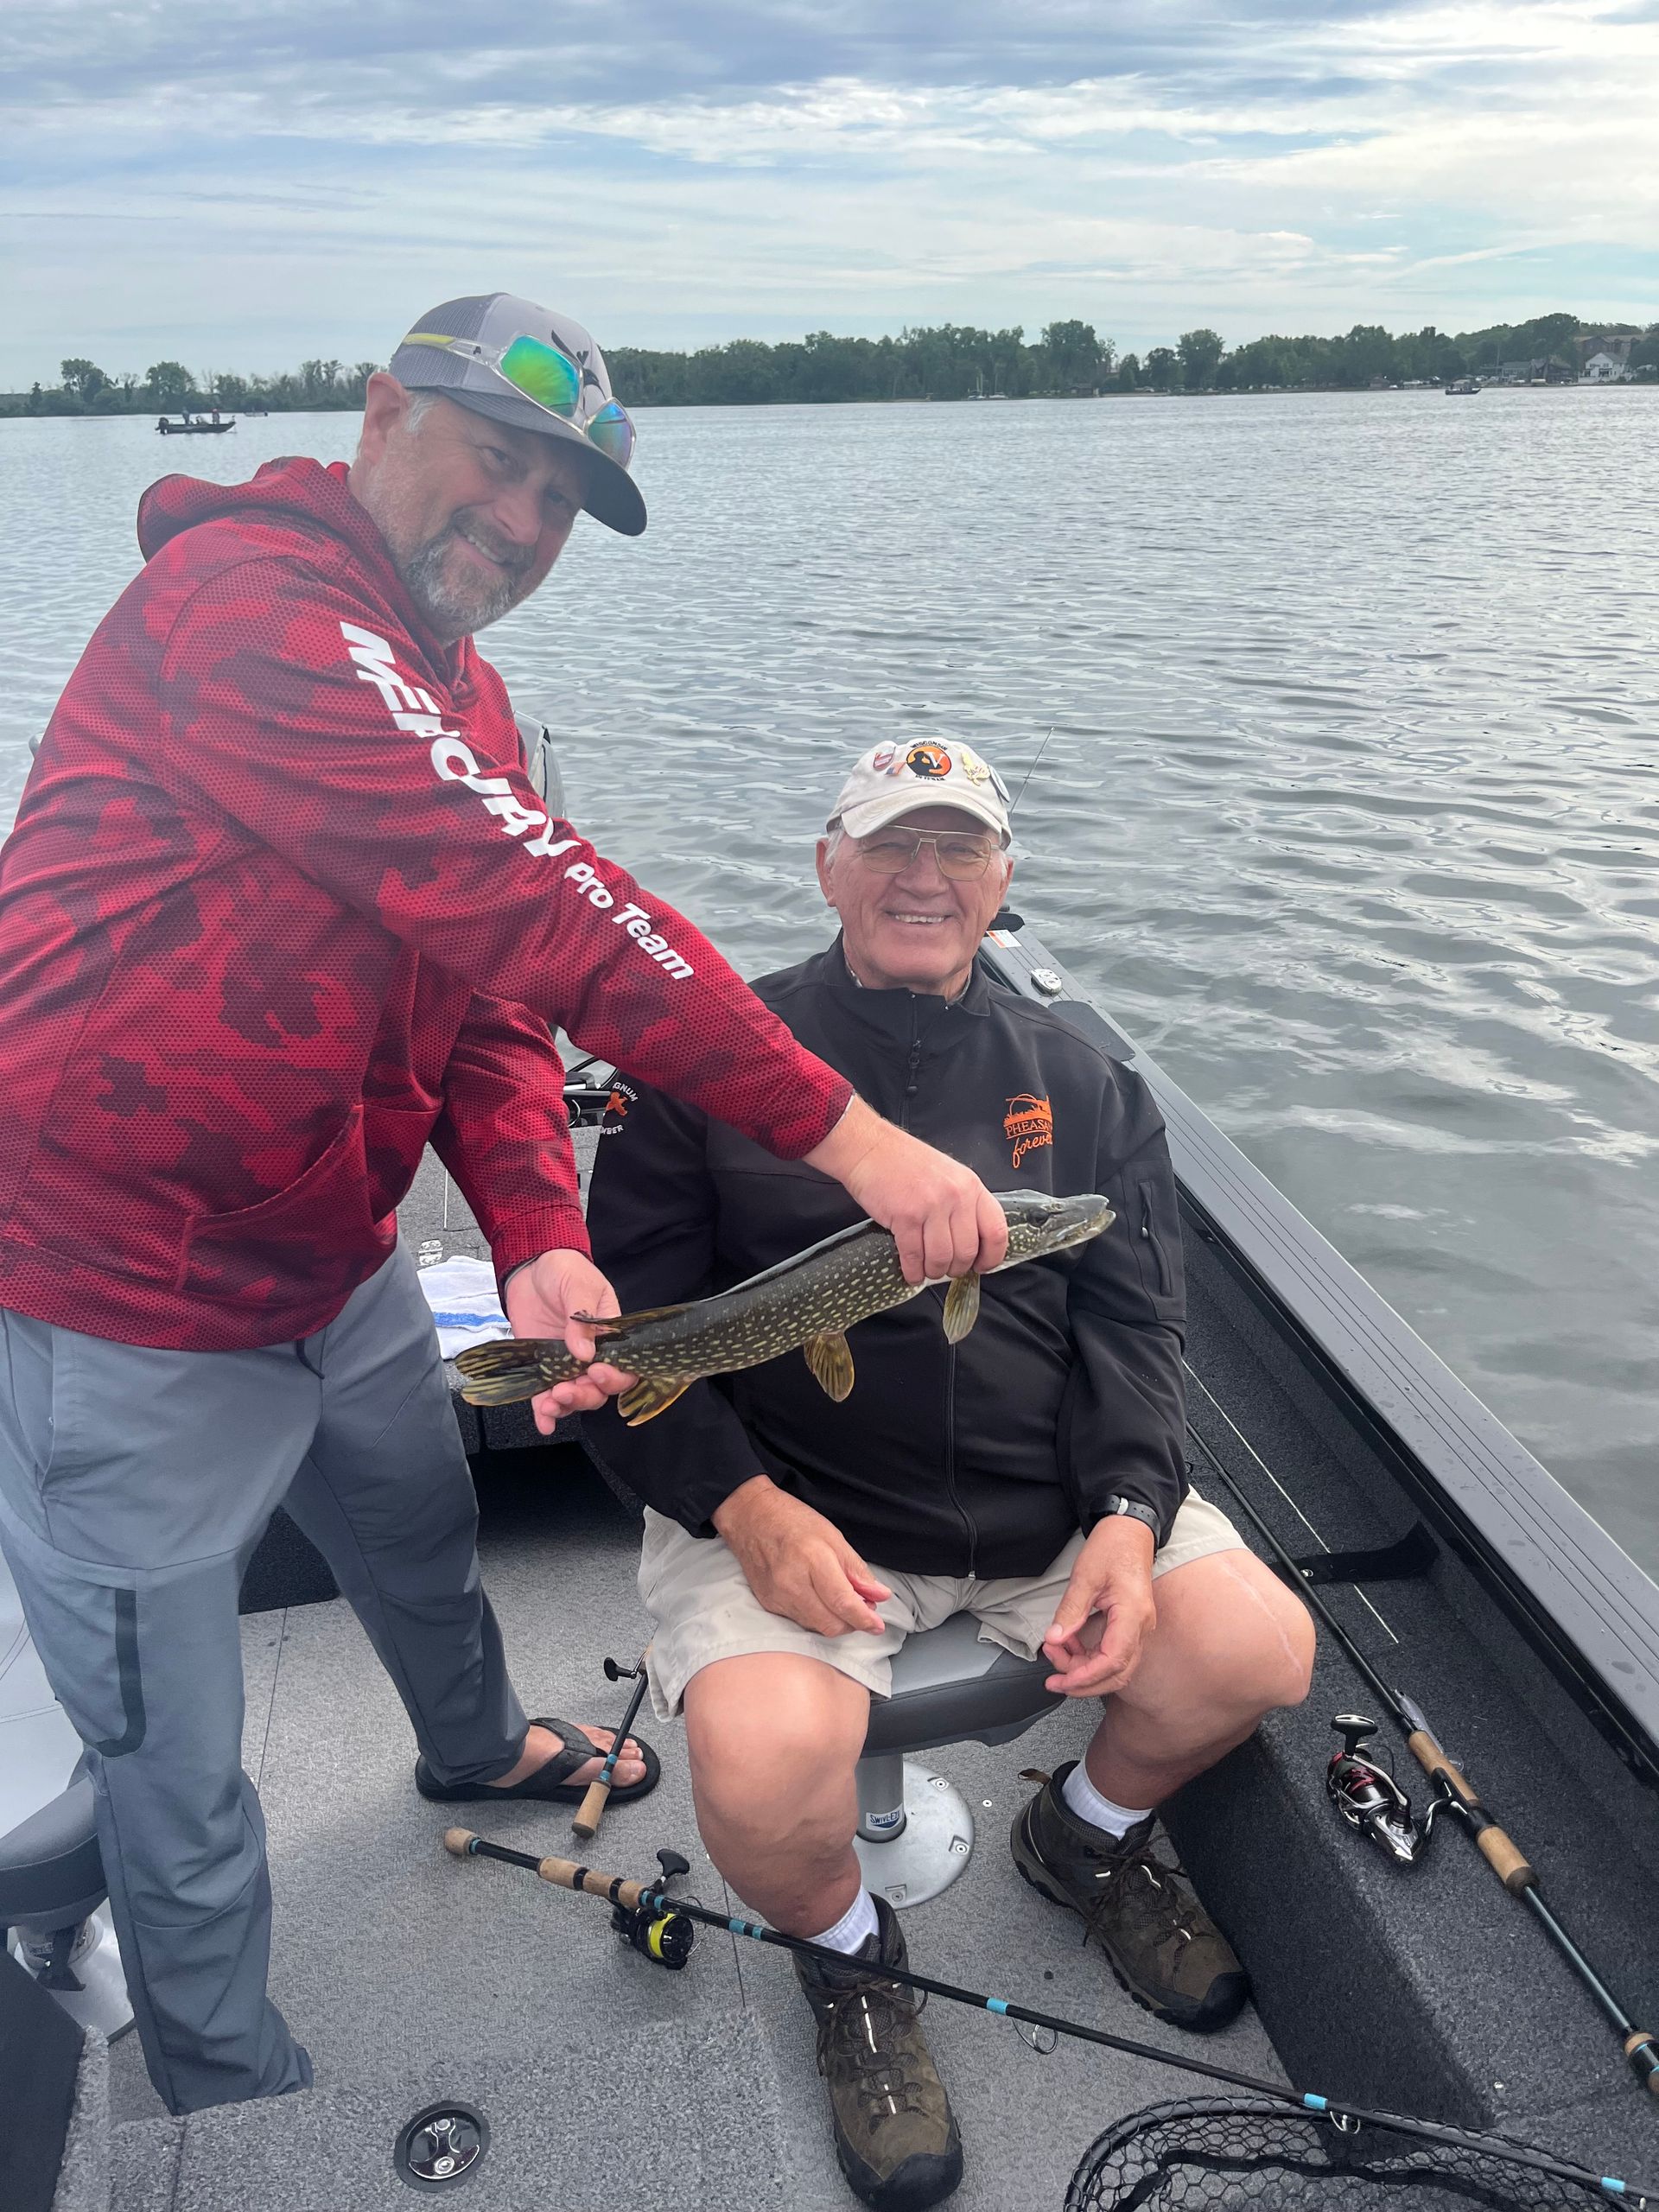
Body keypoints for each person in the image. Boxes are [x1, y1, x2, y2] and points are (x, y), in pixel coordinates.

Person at [0, 293, 1008, 2118]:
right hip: (121, 1295)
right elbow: (540, 902)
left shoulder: (450, 686)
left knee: (416, 1536)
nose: (527, 523)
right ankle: (233, 2093)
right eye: (501, 462)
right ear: (382, 415)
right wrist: (861, 1142)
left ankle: (472, 1749)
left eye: (562, 503)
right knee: (176, 1757)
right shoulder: (247, 610)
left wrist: (541, 1224)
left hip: (338, 1261)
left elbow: (484, 998)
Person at [584, 739, 1316, 2211]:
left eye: (959, 848)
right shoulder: (709, 1063)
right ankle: (854, 1967)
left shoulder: (1086, 1081)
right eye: (890, 845)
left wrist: (1129, 1514)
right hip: (789, 1503)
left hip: (1052, 1498)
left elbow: (1138, 1326)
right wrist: (742, 1506)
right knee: (758, 1764)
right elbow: (627, 1344)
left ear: (1002, 880)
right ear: (827, 867)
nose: (924, 877)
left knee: (1258, 1649)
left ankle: (1082, 1839)